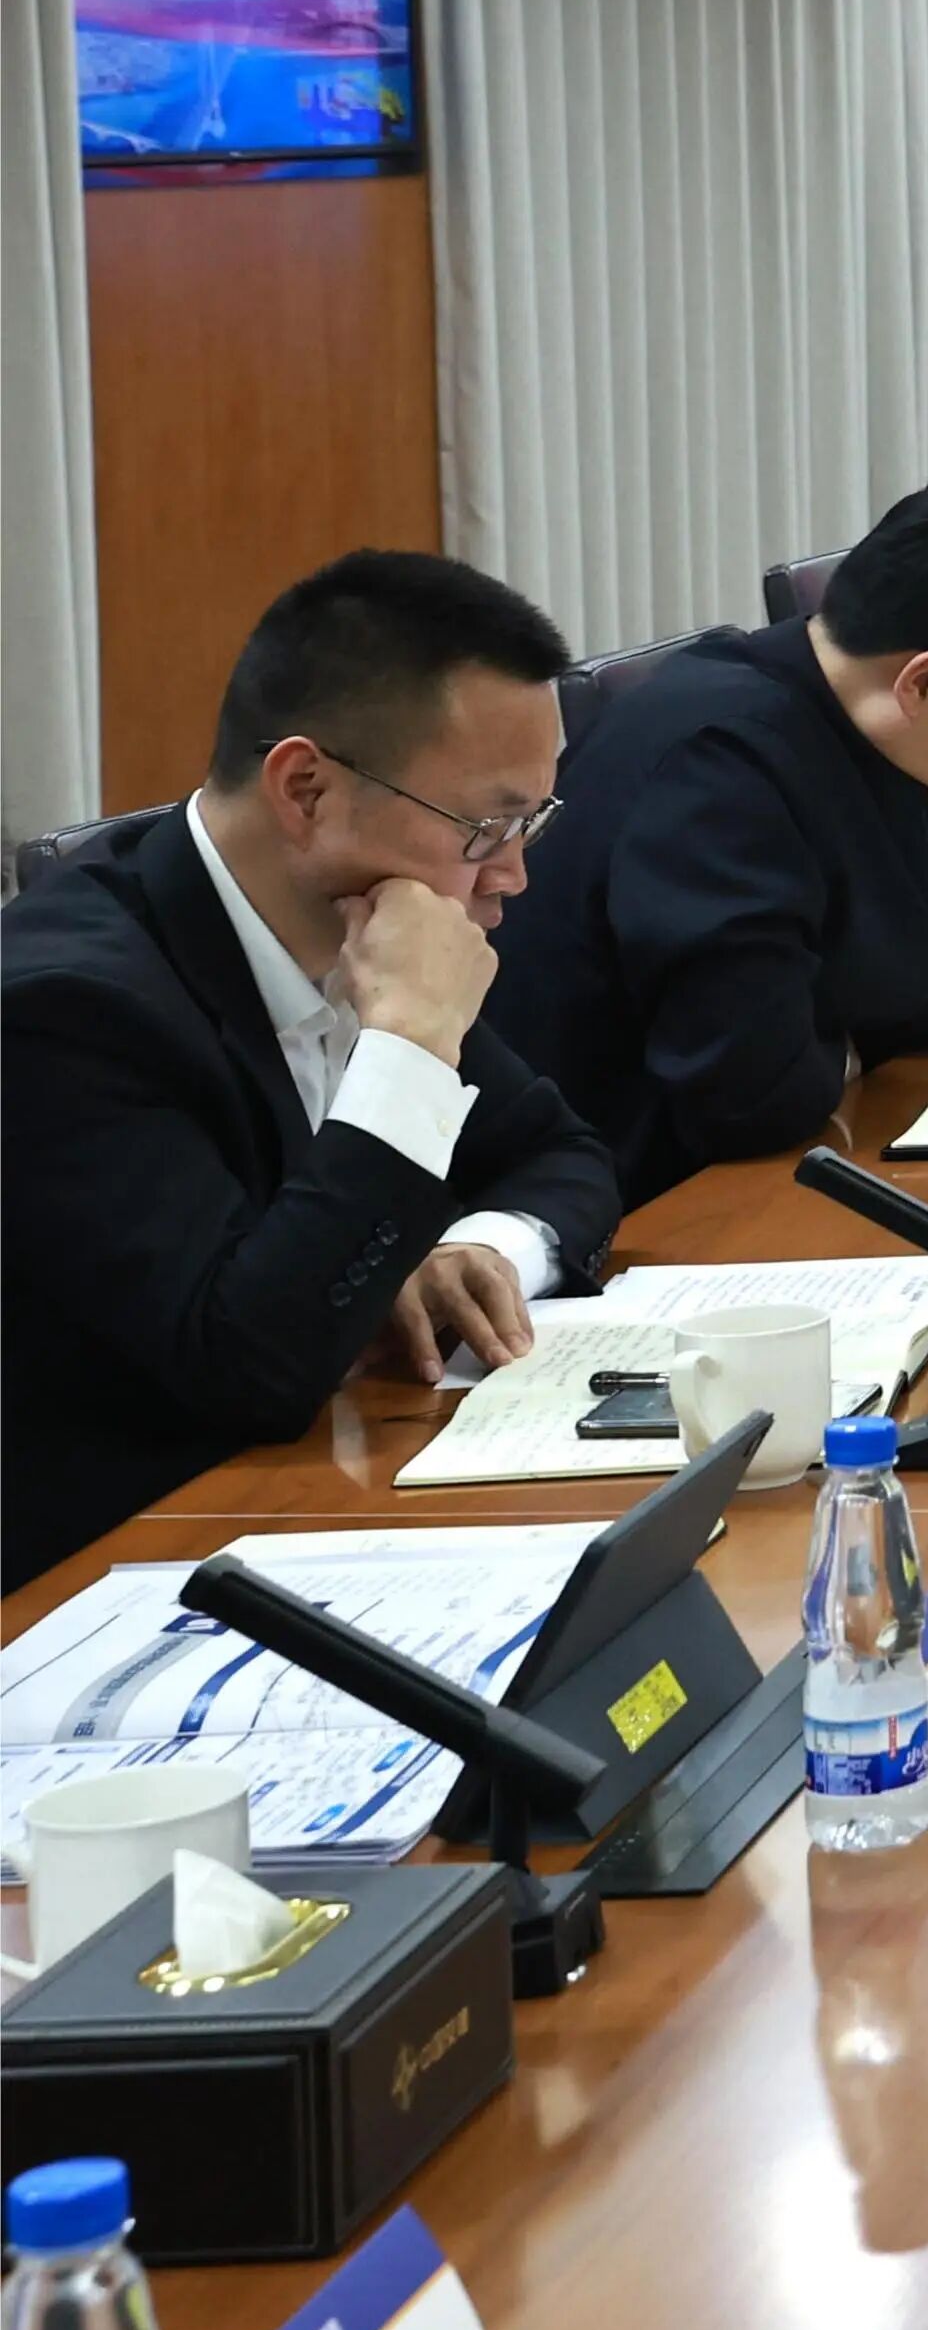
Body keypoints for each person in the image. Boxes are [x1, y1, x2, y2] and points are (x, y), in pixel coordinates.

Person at [7, 555, 633, 1581]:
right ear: (306, 790)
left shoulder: (361, 925)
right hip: (114, 1570)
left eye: (532, 822)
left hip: (316, 1500)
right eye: (486, 826)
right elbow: (249, 1364)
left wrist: (478, 1249)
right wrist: (410, 1046)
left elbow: (559, 1150)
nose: (514, 873)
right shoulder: (63, 1011)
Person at [487, 471, 928, 1211]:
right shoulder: (721, 768)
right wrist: (846, 1037)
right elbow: (748, 1092)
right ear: (925, 681)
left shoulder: (854, 726)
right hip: (632, 1208)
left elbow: (877, 987)